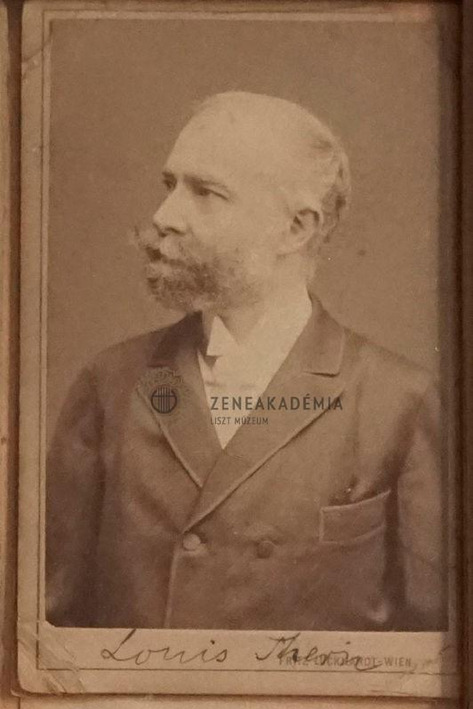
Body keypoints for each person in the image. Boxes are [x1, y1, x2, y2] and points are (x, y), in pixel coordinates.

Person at [46, 91, 446, 631]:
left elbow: (429, 646)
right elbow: (49, 633)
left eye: (206, 192)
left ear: (296, 228)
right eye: (169, 186)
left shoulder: (399, 402)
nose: (163, 217)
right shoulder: (109, 385)